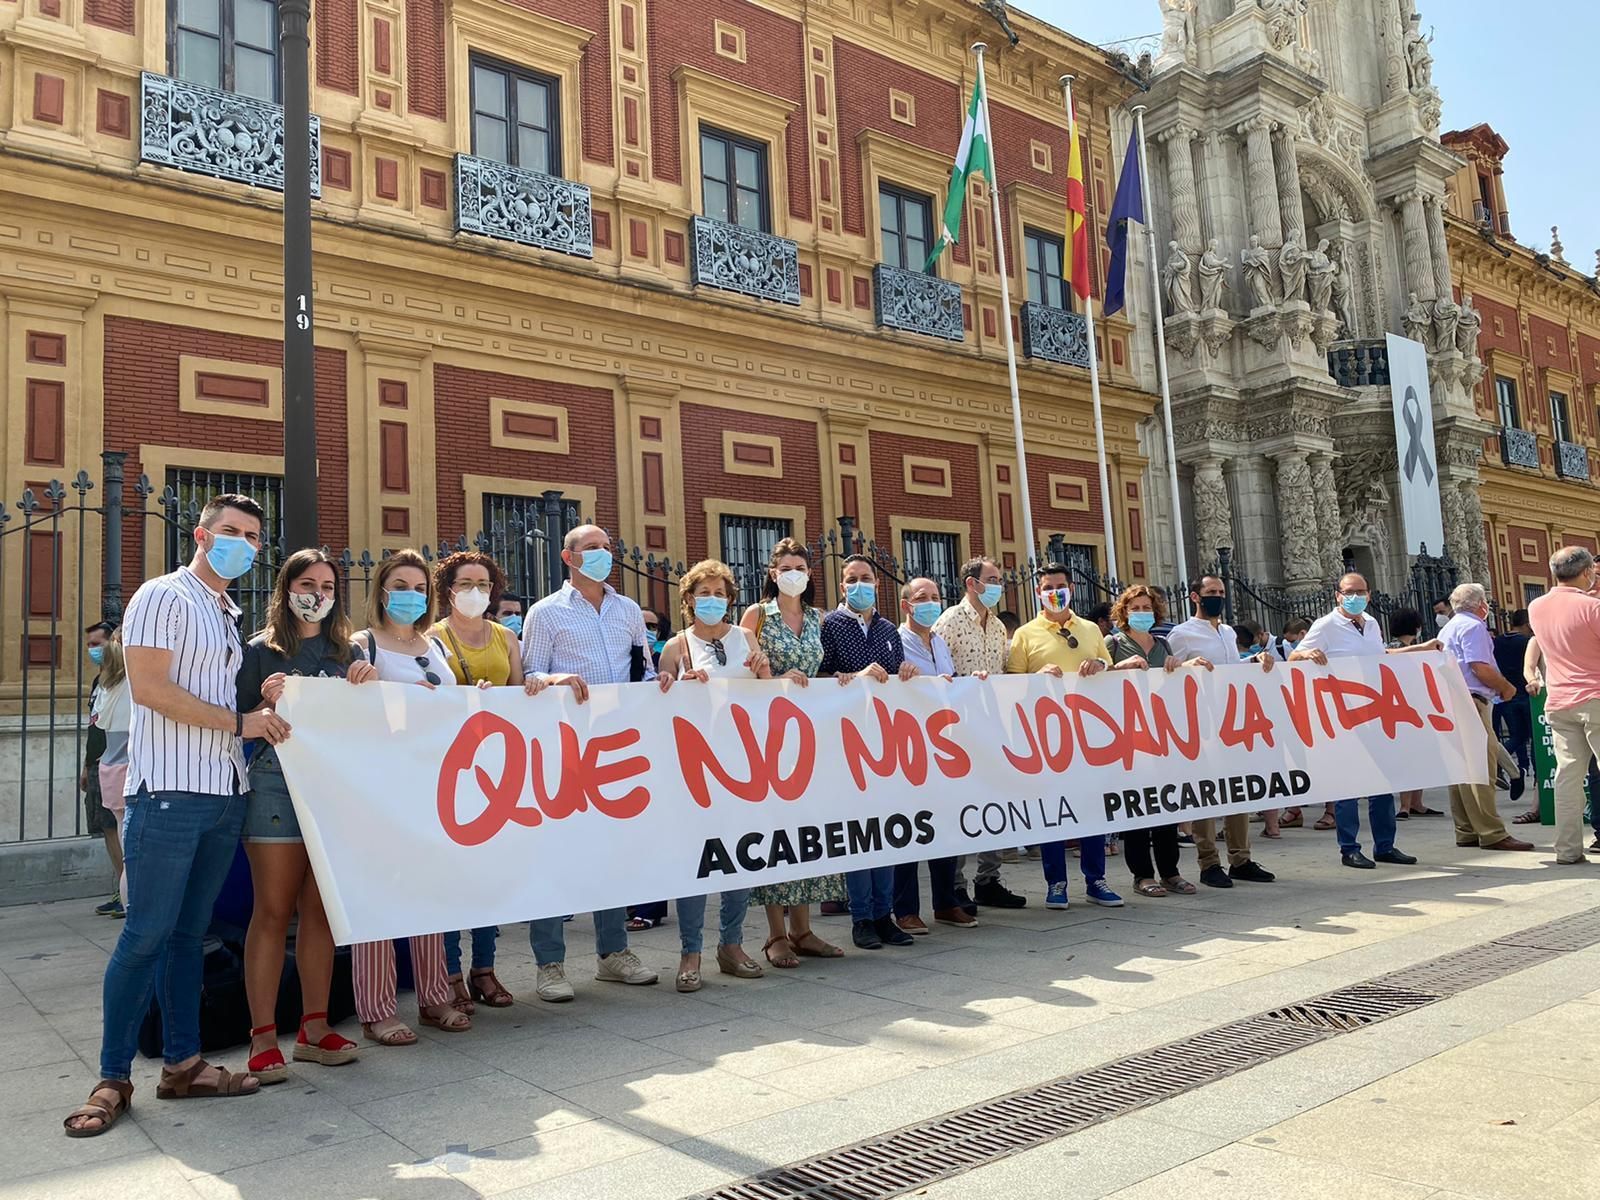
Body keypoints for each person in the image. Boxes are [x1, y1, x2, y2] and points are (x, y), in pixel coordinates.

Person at [65, 494, 284, 1137]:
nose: (240, 544)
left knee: (190, 937)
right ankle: (111, 1077)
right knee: (145, 936)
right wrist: (244, 722)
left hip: (223, 793)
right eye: (230, 532)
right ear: (201, 533)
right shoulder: (164, 595)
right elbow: (155, 690)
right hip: (166, 794)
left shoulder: (224, 610)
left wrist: (262, 694)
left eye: (251, 536)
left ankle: (183, 1065)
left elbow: (214, 691)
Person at [237, 549, 376, 1084]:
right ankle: (264, 1037)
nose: (317, 592)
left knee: (321, 911)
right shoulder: (258, 652)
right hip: (275, 785)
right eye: (307, 582)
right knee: (273, 911)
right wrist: (265, 704)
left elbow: (376, 724)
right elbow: (237, 718)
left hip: (334, 787)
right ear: (286, 588)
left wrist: (368, 686)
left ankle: (315, 1030)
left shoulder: (350, 649)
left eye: (327, 583)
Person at [521, 525, 665, 999]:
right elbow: (529, 675)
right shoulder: (546, 613)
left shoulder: (627, 611)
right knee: (555, 853)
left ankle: (612, 954)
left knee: (613, 852)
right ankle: (550, 964)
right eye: (593, 548)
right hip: (564, 749)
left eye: (608, 547)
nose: (604, 554)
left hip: (617, 748)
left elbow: (642, 668)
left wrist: (661, 683)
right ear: (568, 557)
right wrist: (554, 676)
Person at [348, 549, 472, 1044]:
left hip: (432, 783)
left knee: (430, 892)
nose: (411, 595)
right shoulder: (362, 644)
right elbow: (346, 712)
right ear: (381, 590)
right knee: (378, 893)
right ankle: (376, 1007)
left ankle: (434, 996)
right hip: (379, 787)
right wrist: (357, 684)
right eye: (401, 585)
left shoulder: (434, 643)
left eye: (420, 587)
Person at [432, 550, 546, 1013]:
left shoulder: (506, 638)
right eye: (465, 583)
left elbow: (518, 695)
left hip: (498, 771)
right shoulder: (432, 638)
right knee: (452, 878)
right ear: (447, 590)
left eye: (483, 583)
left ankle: (485, 967)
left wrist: (532, 688)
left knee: (490, 876)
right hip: (448, 770)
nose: (475, 592)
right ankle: (450, 972)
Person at [656, 559, 770, 990]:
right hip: (695, 769)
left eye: (720, 593)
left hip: (743, 764)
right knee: (695, 860)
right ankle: (690, 951)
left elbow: (766, 701)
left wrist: (764, 674)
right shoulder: (676, 646)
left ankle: (732, 944)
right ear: (688, 600)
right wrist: (680, 683)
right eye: (704, 593)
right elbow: (660, 703)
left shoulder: (745, 637)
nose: (713, 600)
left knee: (739, 856)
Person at [1006, 563, 1141, 910]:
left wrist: (1100, 665)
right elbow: (1010, 684)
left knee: (1091, 808)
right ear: (1038, 592)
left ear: (1071, 588)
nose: (1055, 592)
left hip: (1089, 734)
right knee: (1054, 810)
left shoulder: (1090, 630)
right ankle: (1056, 883)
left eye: (1061, 585)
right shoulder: (1025, 634)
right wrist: (1039, 677)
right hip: (1047, 737)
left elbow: (1109, 669)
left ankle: (1096, 879)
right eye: (1048, 587)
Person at [740, 538, 847, 968]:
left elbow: (818, 670)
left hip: (811, 737)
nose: (794, 572)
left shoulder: (819, 617)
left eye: (800, 566)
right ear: (772, 573)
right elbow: (744, 674)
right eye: (786, 566)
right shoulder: (756, 616)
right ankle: (775, 935)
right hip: (770, 738)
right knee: (777, 831)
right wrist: (778, 678)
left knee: (809, 830)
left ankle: (803, 929)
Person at [821, 554, 919, 949]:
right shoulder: (830, 625)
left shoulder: (888, 629)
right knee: (860, 833)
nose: (859, 584)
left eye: (866, 578)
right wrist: (846, 678)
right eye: (851, 579)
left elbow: (896, 674)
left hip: (886, 740)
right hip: (847, 741)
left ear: (877, 583)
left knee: (887, 831)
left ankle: (885, 914)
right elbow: (819, 675)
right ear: (842, 586)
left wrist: (906, 673)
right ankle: (861, 916)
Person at [1298, 573, 1425, 869]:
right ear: (1338, 595)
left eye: (1361, 591)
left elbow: (1381, 656)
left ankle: (1385, 845)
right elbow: (1293, 658)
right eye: (1349, 591)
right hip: (1342, 714)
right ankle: (1349, 847)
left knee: (1382, 783)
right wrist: (1307, 653)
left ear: (1369, 594)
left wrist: (1419, 650)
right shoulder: (1326, 625)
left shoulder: (1371, 624)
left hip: (1375, 711)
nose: (1355, 596)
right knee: (1349, 786)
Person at [1164, 575, 1279, 888]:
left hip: (1233, 720)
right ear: (1195, 597)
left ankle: (1240, 858)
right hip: (1200, 721)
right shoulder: (1182, 634)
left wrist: (1252, 660)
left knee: (1237, 789)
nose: (1217, 596)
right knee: (1207, 792)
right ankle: (1209, 861)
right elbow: (1167, 671)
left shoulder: (1228, 632)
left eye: (1221, 592)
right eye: (1211, 592)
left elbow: (1230, 670)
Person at [934, 556, 1026, 911]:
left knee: (995, 803)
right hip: (956, 731)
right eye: (993, 578)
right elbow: (938, 672)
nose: (999, 585)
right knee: (961, 807)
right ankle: (956, 885)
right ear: (972, 584)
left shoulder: (999, 628)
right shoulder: (951, 622)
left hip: (991, 728)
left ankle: (988, 879)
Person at [1104, 586, 1202, 898]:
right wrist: (1119, 668)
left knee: (1166, 806)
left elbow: (1173, 682)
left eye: (1147, 607)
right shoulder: (1113, 643)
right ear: (1124, 611)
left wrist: (1180, 666)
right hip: (1127, 736)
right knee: (1137, 808)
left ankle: (1170, 871)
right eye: (1136, 607)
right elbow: (1096, 680)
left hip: (1162, 736)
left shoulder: (1162, 644)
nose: (1142, 612)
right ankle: (1142, 874)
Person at [893, 577, 975, 933]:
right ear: (906, 605)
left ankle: (946, 902)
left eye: (935, 597)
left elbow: (950, 683)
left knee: (944, 826)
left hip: (943, 747)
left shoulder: (940, 642)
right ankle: (906, 909)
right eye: (921, 598)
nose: (930, 602)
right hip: (907, 746)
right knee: (909, 829)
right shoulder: (894, 640)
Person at [1438, 583, 1536, 854]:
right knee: (1482, 767)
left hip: (1453, 699)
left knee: (1461, 770)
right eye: (1486, 602)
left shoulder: (1449, 627)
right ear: (1480, 604)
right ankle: (1492, 832)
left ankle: (1466, 829)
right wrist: (1505, 687)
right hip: (1471, 700)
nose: (1488, 607)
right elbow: (1479, 666)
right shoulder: (1473, 626)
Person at [1527, 547, 1600, 864]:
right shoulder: (1592, 607)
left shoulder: (1536, 606)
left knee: (1568, 776)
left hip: (1558, 700)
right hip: (1596, 696)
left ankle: (1567, 849)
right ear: (1587, 572)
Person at [81, 621, 122, 917]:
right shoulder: (100, 682)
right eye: (89, 645)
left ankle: (127, 891)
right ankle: (121, 889)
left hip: (118, 763)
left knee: (120, 829)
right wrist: (85, 764)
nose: (93, 650)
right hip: (98, 764)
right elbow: (95, 725)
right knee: (107, 828)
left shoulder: (124, 680)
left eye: (98, 644)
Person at [1387, 609, 1442, 820]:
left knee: (1417, 757)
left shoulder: (1397, 647)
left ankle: (1415, 803)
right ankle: (1406, 805)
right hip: (1408, 710)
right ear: (1416, 627)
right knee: (1410, 757)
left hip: (1403, 709)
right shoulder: (1406, 650)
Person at [93, 631, 133, 912]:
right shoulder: (133, 685)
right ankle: (132, 906)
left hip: (108, 768)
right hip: (129, 770)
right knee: (136, 853)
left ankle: (127, 904)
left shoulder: (105, 688)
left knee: (124, 840)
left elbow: (97, 723)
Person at [1494, 608, 1534, 805]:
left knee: (1517, 736)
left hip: (1507, 694)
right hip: (1528, 694)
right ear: (1528, 624)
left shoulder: (1498, 641)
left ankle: (1497, 762)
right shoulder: (1528, 642)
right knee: (1534, 737)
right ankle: (1539, 777)